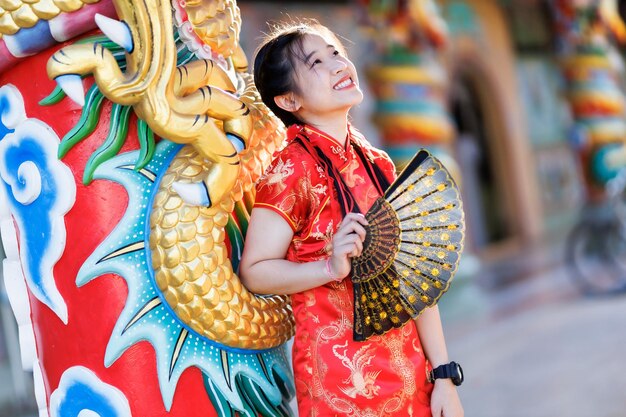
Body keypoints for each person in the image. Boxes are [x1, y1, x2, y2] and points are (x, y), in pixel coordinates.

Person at [240, 19, 464, 417]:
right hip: (340, 388)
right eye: (316, 62)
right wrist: (328, 266)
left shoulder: (377, 162)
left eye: (336, 53)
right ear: (289, 101)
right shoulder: (291, 169)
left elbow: (416, 279)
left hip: (414, 377)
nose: (338, 64)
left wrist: (443, 376)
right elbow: (255, 271)